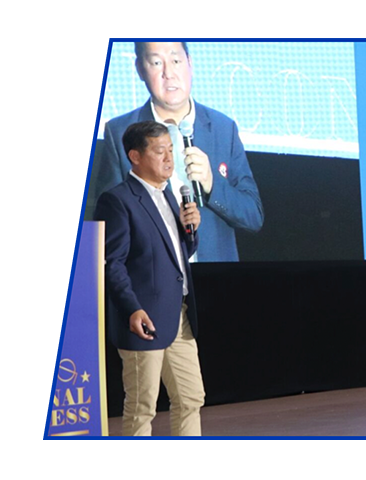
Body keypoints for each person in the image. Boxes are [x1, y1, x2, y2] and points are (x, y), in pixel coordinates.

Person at [93, 42, 263, 262]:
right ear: (140, 69)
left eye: (175, 61)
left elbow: (253, 216)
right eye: (156, 63)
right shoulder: (120, 133)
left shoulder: (223, 128)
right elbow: (106, 227)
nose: (169, 73)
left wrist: (212, 185)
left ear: (190, 63)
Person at [94, 121, 205, 436]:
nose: (169, 158)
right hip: (143, 319)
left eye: (171, 150)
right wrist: (132, 308)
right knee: (142, 408)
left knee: (191, 398)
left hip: (179, 315)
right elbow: (112, 263)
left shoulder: (169, 195)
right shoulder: (118, 200)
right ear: (135, 156)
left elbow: (172, 256)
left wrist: (190, 233)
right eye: (159, 151)